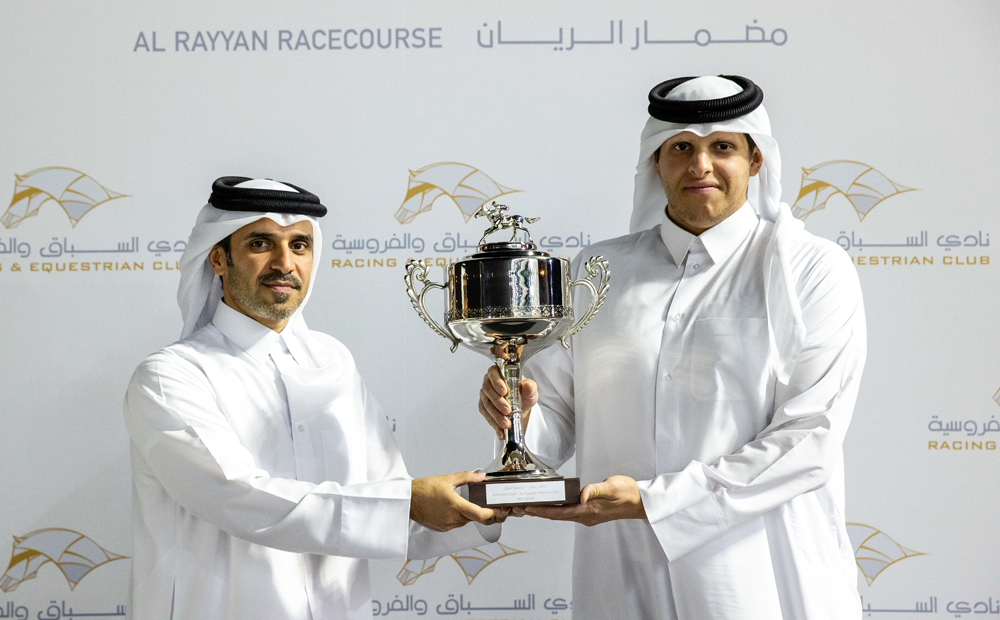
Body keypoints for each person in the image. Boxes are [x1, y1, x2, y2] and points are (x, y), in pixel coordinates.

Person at [478, 76, 866, 619]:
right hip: (621, 575)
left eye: (722, 147)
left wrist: (655, 503)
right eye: (681, 147)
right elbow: (556, 417)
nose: (700, 164)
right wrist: (515, 413)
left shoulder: (810, 269)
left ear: (755, 161)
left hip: (759, 580)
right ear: (655, 163)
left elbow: (810, 438)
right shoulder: (598, 271)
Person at [124, 177, 506, 620]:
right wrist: (406, 503)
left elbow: (391, 506)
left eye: (300, 245)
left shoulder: (333, 361)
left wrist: (490, 498)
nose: (283, 263)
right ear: (218, 258)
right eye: (261, 243)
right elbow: (237, 497)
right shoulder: (172, 376)